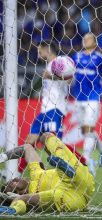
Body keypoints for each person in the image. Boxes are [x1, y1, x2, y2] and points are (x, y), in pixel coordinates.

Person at [0, 132, 95, 215]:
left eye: (11, 180)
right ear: (16, 193)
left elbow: (27, 148)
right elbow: (21, 203)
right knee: (49, 195)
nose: (14, 179)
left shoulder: (36, 173)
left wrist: (3, 157)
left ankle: (64, 167)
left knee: (45, 137)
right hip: (70, 199)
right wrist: (14, 205)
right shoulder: (29, 198)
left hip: (79, 178)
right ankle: (63, 167)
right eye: (11, 184)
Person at [17, 42, 69, 175]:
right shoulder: (48, 65)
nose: (38, 54)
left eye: (40, 51)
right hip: (44, 110)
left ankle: (72, 169)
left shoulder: (59, 62)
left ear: (47, 50)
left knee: (54, 146)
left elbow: (68, 79)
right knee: (29, 142)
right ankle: (17, 172)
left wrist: (50, 76)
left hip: (55, 109)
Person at [71, 33, 102, 176]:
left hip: (93, 97)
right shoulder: (76, 57)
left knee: (90, 128)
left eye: (89, 38)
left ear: (95, 42)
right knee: (85, 130)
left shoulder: (100, 58)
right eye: (84, 38)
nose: (85, 40)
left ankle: (86, 161)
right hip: (78, 98)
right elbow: (69, 74)